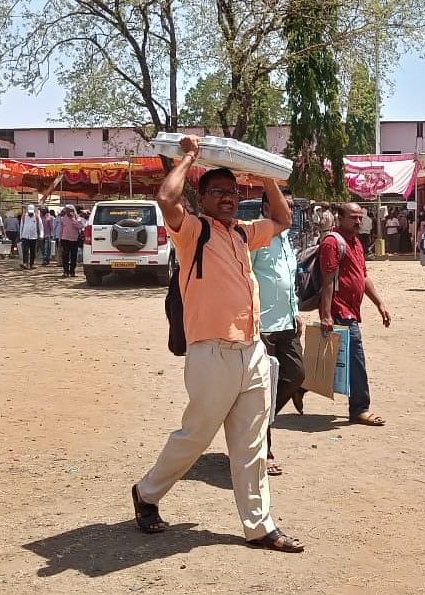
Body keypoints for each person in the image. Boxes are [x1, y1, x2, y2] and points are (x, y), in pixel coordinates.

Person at [132, 136, 304, 553]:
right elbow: (166, 198)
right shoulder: (192, 232)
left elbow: (281, 218)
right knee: (195, 436)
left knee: (250, 443)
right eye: (218, 193)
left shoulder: (244, 234)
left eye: (231, 192)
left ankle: (260, 526)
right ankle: (147, 493)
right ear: (203, 197)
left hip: (252, 350)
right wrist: (189, 157)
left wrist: (266, 177)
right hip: (211, 352)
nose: (227, 199)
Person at [318, 202, 391, 427]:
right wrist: (326, 314)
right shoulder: (332, 243)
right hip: (341, 311)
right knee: (356, 360)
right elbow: (327, 281)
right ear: (340, 218)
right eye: (353, 217)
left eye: (360, 218)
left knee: (333, 358)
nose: (358, 222)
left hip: (353, 309)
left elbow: (363, 276)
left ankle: (299, 386)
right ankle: (360, 408)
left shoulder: (356, 242)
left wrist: (379, 303)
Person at [252, 197, 306, 477]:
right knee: (264, 389)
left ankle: (260, 422)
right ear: (266, 207)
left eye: (290, 206)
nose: (289, 210)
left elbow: (289, 278)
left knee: (296, 374)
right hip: (262, 326)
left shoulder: (286, 238)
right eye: (282, 204)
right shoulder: (256, 235)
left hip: (286, 321)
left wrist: (296, 310)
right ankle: (264, 449)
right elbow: (244, 276)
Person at [57, 205, 83, 278]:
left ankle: (72, 271)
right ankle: (66, 271)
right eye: (67, 210)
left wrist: (74, 220)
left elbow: (80, 226)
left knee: (73, 256)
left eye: (70, 210)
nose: (68, 212)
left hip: (74, 239)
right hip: (65, 239)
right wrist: (59, 239)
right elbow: (60, 230)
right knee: (65, 256)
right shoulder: (62, 219)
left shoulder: (78, 218)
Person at [18, 205, 44, 270]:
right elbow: (21, 226)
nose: (30, 214)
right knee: (25, 251)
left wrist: (41, 235)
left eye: (31, 212)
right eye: (29, 212)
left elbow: (41, 227)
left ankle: (32, 264)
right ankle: (25, 263)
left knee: (33, 251)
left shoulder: (37, 217)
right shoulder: (24, 217)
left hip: (33, 237)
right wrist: (21, 236)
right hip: (25, 236)